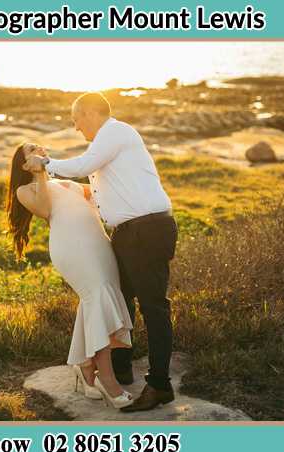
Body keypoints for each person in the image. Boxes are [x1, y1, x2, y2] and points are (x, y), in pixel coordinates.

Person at [24, 92, 178, 412]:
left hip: (147, 229)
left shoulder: (117, 132)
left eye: (76, 120)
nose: (76, 127)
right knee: (121, 299)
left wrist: (47, 163)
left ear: (89, 112)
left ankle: (160, 385)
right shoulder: (106, 142)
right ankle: (120, 367)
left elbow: (84, 165)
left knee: (153, 307)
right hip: (127, 233)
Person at [5, 142, 134, 409]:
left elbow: (101, 198)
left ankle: (85, 366)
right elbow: (44, 209)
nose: (39, 146)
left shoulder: (65, 181)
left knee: (95, 301)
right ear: (23, 164)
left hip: (99, 245)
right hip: (72, 248)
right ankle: (108, 381)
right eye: (32, 148)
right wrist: (40, 173)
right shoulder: (25, 190)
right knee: (97, 297)